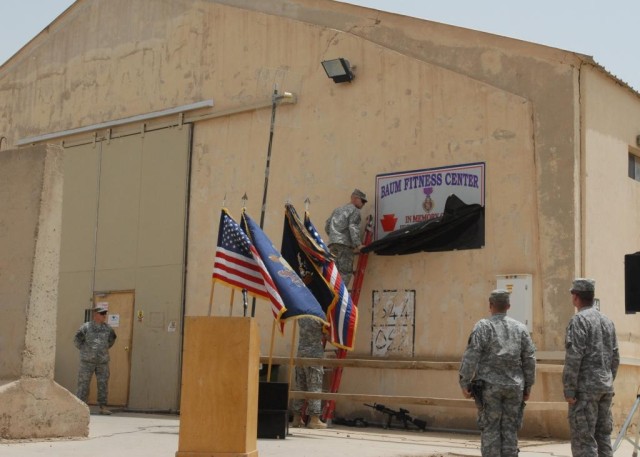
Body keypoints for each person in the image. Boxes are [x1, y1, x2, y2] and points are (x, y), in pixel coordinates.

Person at [459, 289, 536, 457]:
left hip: (489, 388)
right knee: (510, 429)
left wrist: (464, 382)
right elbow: (530, 359)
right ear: (508, 306)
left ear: (490, 305)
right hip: (514, 387)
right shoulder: (521, 328)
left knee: (491, 429)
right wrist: (528, 386)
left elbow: (471, 355)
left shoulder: (483, 327)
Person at [563, 278, 619, 457]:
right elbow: (615, 357)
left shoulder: (579, 320)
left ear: (576, 296)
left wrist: (569, 389)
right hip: (605, 388)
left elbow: (574, 356)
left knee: (584, 440)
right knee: (603, 438)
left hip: (585, 391)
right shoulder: (608, 321)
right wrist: (608, 380)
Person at [74, 303, 117, 415]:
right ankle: (80, 407)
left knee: (103, 384)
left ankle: (103, 407)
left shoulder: (108, 329)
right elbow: (77, 341)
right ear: (95, 314)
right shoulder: (86, 327)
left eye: (105, 314)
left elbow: (111, 341)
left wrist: (102, 350)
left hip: (102, 362)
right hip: (87, 361)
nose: (104, 316)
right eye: (102, 313)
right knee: (83, 384)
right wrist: (86, 351)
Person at [324, 188, 367, 287]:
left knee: (334, 273)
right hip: (345, 246)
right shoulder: (354, 210)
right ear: (355, 198)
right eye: (363, 201)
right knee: (345, 272)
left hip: (332, 245)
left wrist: (334, 237)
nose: (363, 204)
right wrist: (358, 245)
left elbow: (327, 226)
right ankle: (340, 297)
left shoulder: (337, 210)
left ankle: (332, 295)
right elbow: (353, 227)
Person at [291, 318, 327, 429]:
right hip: (314, 356)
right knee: (315, 386)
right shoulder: (320, 317)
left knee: (300, 387)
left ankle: (296, 418)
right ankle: (314, 419)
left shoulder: (301, 316)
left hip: (301, 354)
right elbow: (328, 336)